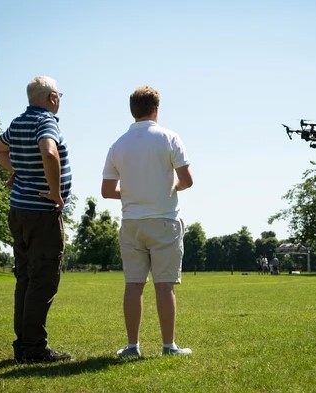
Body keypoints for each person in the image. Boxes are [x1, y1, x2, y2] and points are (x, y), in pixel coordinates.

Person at [102, 85, 194, 357]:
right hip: (164, 221)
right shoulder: (169, 138)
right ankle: (169, 346)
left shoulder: (118, 144)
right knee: (164, 285)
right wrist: (170, 189)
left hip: (131, 222)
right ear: (156, 109)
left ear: (132, 111)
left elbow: (107, 191)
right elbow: (187, 180)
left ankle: (132, 346)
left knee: (133, 285)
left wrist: (134, 193)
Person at [0, 76, 73, 363]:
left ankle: (24, 346)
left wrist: (19, 171)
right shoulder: (46, 122)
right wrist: (56, 193)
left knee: (26, 278)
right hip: (42, 213)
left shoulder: (17, 123)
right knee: (43, 279)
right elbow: (50, 152)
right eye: (59, 95)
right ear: (51, 98)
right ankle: (35, 348)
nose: (60, 100)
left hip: (19, 212)